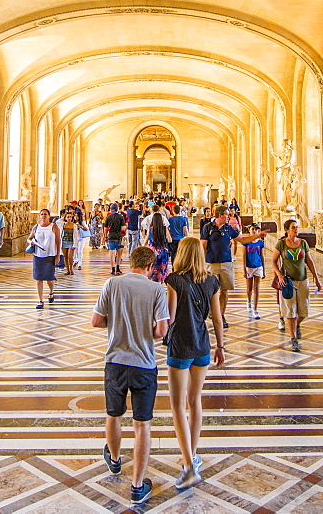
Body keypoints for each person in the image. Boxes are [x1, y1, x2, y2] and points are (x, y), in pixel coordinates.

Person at [92, 246, 170, 505]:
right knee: (142, 424)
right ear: (150, 267)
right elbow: (161, 331)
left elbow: (96, 321)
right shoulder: (157, 290)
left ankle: (114, 461)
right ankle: (137, 485)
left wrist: (116, 324)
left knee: (113, 414)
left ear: (130, 262)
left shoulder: (112, 284)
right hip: (144, 364)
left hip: (114, 361)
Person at [165, 237, 224, 490]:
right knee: (195, 400)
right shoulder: (212, 281)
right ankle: (192, 453)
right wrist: (220, 347)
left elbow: (169, 316)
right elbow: (218, 319)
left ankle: (188, 465)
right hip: (202, 344)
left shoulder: (174, 280)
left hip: (180, 345)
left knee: (178, 405)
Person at [272, 217, 322, 352]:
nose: (296, 229)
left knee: (304, 310)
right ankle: (293, 338)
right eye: (293, 227)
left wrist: (316, 279)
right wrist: (279, 275)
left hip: (303, 280)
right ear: (287, 230)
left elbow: (309, 261)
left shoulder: (303, 243)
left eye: (297, 227)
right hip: (288, 282)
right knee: (290, 310)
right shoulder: (281, 244)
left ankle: (296, 326)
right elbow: (274, 261)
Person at [200, 205, 239, 328]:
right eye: (227, 215)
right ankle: (212, 311)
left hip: (226, 262)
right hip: (212, 262)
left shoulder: (228, 228)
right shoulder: (208, 228)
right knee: (212, 290)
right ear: (220, 215)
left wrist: (256, 237)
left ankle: (221, 314)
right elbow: (203, 245)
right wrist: (202, 262)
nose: (229, 217)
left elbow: (240, 239)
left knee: (224, 289)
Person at [28, 208, 61, 309]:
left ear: (49, 216)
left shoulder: (53, 226)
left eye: (45, 214)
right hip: (38, 255)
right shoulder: (36, 227)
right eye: (42, 214)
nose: (43, 216)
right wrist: (31, 242)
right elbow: (29, 238)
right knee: (38, 279)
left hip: (50, 255)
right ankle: (40, 300)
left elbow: (58, 241)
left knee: (50, 280)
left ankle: (51, 292)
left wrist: (58, 255)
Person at [241, 222, 268, 319]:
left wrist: (264, 270)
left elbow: (262, 256)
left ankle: (255, 309)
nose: (255, 231)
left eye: (256, 230)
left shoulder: (260, 242)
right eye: (253, 229)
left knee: (257, 288)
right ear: (249, 230)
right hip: (249, 266)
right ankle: (249, 301)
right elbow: (244, 255)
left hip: (258, 266)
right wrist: (244, 269)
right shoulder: (246, 241)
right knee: (249, 288)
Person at [147, 207, 172, 283]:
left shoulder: (151, 229)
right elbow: (170, 240)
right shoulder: (164, 229)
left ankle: (153, 284)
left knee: (153, 269)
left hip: (153, 252)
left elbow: (146, 240)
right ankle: (161, 284)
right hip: (163, 251)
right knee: (162, 270)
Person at [104, 204, 125, 274]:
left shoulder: (108, 217)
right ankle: (118, 267)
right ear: (117, 209)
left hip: (111, 236)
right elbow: (123, 227)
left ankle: (113, 269)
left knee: (111, 253)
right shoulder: (120, 217)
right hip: (118, 236)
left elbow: (105, 228)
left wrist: (105, 236)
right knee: (119, 253)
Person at [61, 207, 77, 275]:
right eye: (68, 217)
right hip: (64, 241)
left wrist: (74, 245)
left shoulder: (74, 225)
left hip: (71, 242)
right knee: (65, 257)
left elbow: (76, 236)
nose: (69, 218)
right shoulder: (63, 225)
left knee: (70, 257)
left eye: (70, 217)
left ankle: (71, 269)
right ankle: (67, 270)